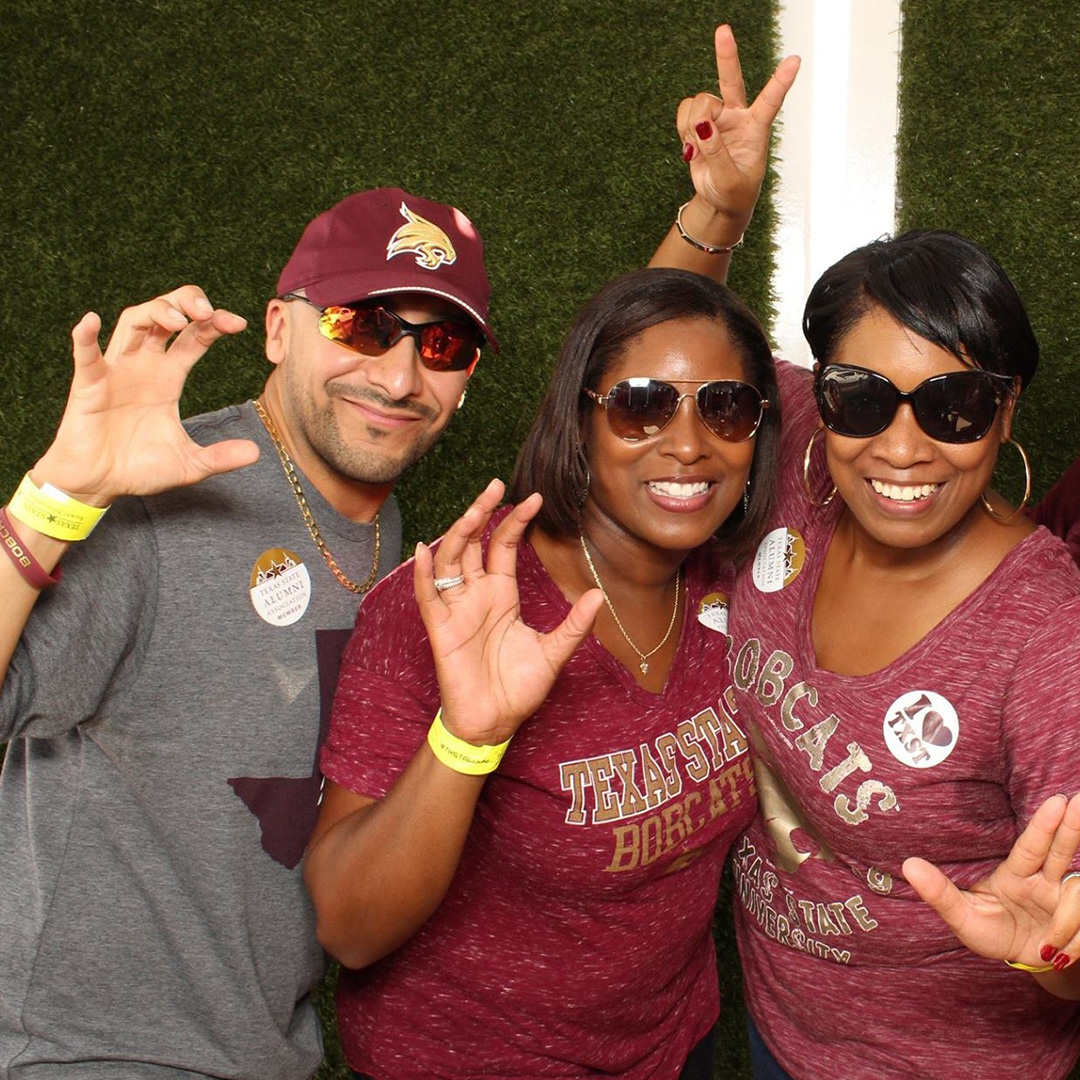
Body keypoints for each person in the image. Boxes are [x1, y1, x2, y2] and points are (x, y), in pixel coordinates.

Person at [0, 187, 499, 1079]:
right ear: (278, 329)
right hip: (81, 1052)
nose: (397, 377)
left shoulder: (398, 538)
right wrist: (56, 498)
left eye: (441, 345)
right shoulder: (157, 499)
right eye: (361, 325)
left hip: (267, 1051)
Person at [304, 266, 781, 1079]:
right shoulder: (460, 600)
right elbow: (348, 928)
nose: (690, 443)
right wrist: (470, 736)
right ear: (581, 418)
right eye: (641, 404)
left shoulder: (743, 588)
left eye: (726, 408)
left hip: (673, 1047)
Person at [716, 229, 1080, 1080]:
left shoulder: (1049, 638)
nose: (902, 448)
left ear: (1007, 409)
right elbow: (668, 350)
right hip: (779, 1022)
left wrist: (1055, 960)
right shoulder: (805, 439)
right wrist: (716, 218)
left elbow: (1064, 919)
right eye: (865, 398)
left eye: (954, 405)